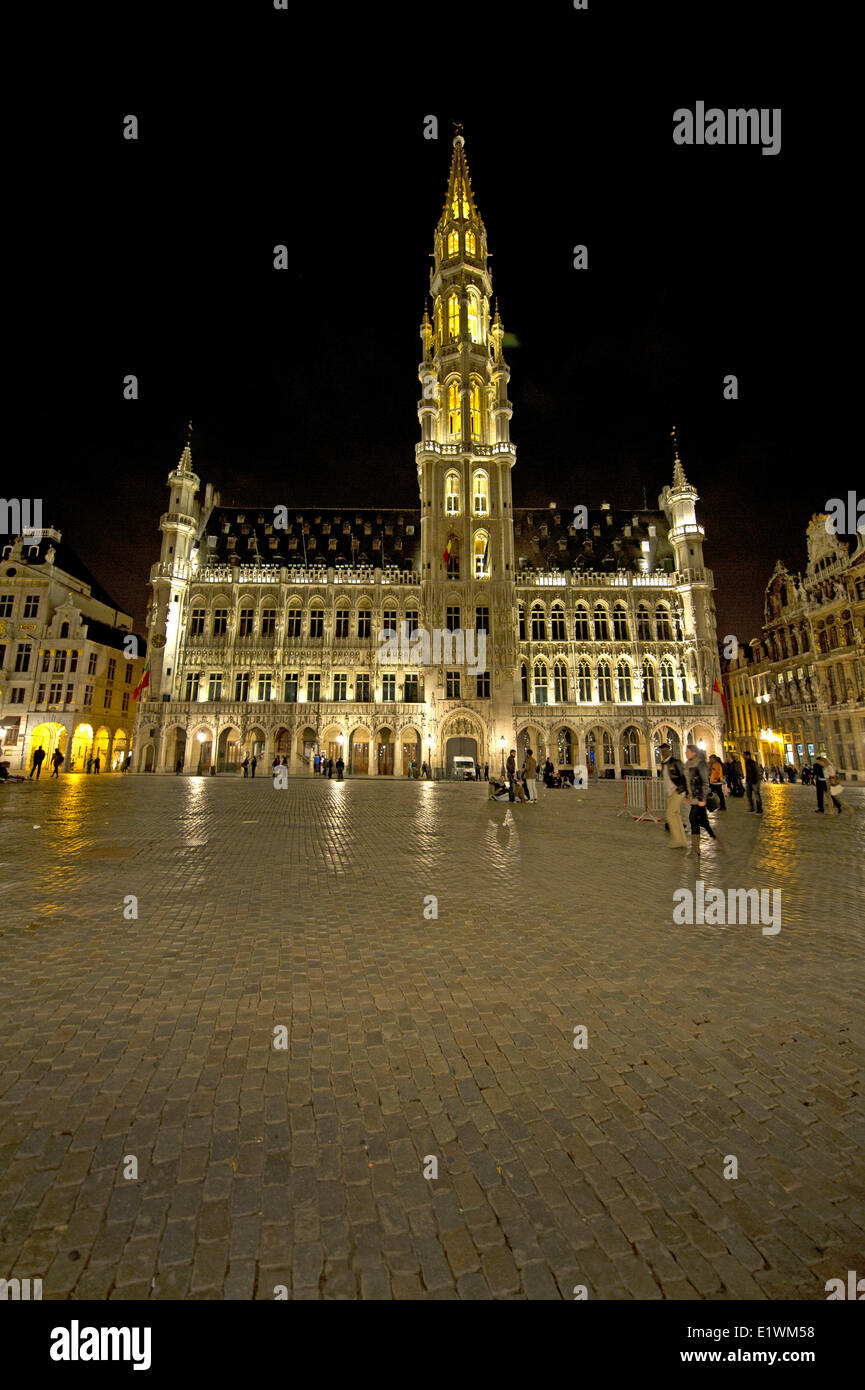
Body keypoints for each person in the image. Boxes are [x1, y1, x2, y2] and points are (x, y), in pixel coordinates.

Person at [684, 743, 724, 858]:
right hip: (693, 797)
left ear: (693, 752)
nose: (685, 753)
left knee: (692, 819)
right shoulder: (687, 764)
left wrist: (702, 798)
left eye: (687, 751)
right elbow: (688, 781)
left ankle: (695, 850)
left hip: (699, 797)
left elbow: (705, 782)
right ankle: (715, 837)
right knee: (703, 822)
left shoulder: (700, 764)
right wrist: (686, 795)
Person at [659, 742, 688, 849]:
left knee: (670, 814)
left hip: (677, 791)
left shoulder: (676, 762)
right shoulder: (663, 763)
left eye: (665, 750)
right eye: (662, 751)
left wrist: (685, 792)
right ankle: (683, 841)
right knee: (676, 816)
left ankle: (677, 840)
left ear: (669, 750)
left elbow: (683, 776)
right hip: (670, 793)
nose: (663, 752)